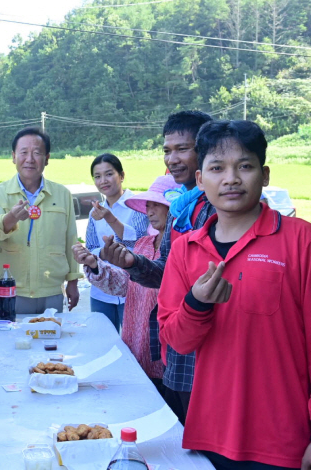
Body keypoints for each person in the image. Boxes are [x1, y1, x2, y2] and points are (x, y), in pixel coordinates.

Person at [158, 120, 311, 470]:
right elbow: (176, 340)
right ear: (200, 181)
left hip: (285, 440)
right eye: (217, 168)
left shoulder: (303, 241)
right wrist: (197, 304)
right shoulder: (185, 249)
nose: (230, 179)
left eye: (244, 166)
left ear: (264, 175)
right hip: (211, 435)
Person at [102, 110, 213, 424]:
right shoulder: (181, 208)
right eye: (167, 150)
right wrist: (132, 262)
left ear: (205, 149)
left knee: (206, 434)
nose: (173, 158)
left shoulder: (217, 208)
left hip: (208, 350)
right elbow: (167, 272)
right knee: (182, 432)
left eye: (182, 149)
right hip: (176, 346)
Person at [74, 174, 176, 393]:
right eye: (148, 205)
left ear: (175, 207)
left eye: (157, 205)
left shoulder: (181, 247)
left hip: (162, 351)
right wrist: (94, 263)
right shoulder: (143, 243)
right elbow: (124, 284)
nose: (150, 211)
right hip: (135, 343)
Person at [0, 127, 81, 314]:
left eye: (37, 153)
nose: (30, 159)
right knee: (13, 340)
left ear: (47, 159)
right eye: (23, 153)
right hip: (12, 289)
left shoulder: (62, 194)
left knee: (51, 339)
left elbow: (71, 239)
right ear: (13, 156)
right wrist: (12, 217)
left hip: (51, 290)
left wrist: (73, 281)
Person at [84, 153, 149, 332]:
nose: (103, 180)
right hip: (101, 289)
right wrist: (102, 254)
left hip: (132, 288)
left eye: (109, 174)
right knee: (103, 342)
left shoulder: (136, 205)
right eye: (97, 176)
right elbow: (91, 247)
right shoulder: (94, 213)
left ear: (121, 175)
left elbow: (138, 242)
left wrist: (109, 217)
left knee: (133, 343)